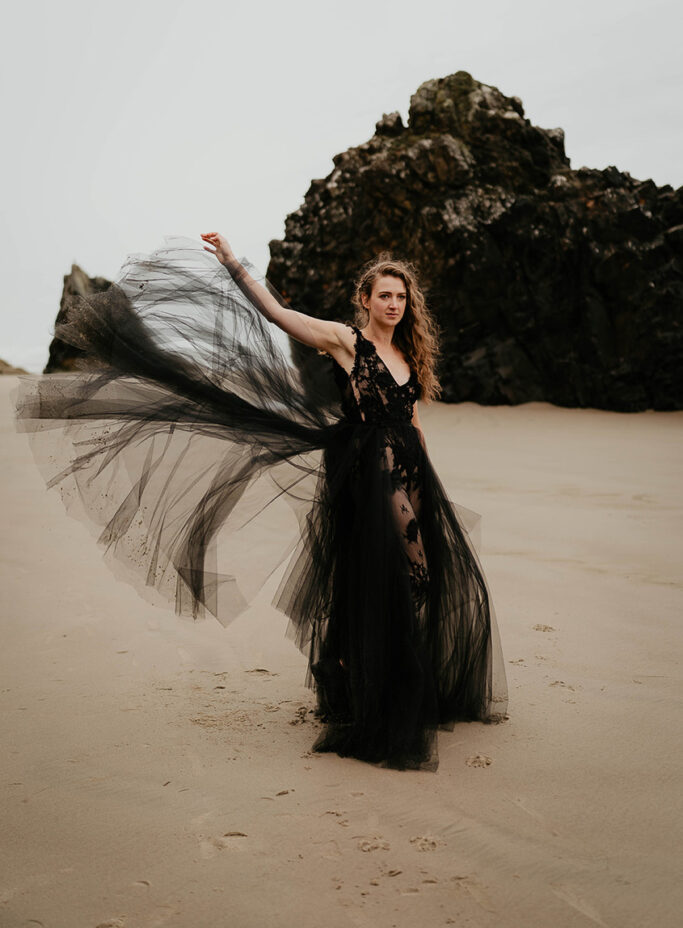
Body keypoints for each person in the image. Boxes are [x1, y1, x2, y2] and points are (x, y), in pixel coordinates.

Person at [16, 234, 507, 771]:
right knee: (411, 573)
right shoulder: (346, 341)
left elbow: (411, 420)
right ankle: (381, 686)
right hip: (373, 472)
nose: (394, 304)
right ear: (364, 299)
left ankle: (364, 673)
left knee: (406, 577)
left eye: (401, 297)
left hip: (411, 468)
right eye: (384, 295)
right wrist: (233, 264)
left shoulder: (406, 352)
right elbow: (276, 313)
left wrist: (428, 476)